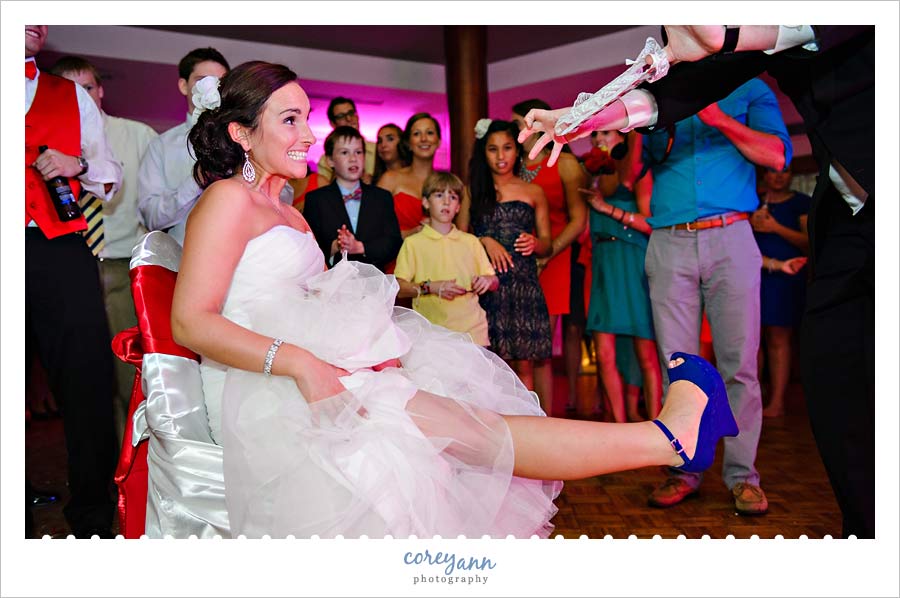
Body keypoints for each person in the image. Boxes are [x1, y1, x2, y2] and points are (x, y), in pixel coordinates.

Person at [172, 60, 736, 538]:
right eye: (289, 120)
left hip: (313, 367)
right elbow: (191, 321)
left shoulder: (289, 210)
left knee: (471, 424)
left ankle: (666, 439)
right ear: (242, 133)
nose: (308, 134)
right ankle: (666, 440)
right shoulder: (226, 200)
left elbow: (313, 301)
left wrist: (366, 346)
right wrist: (306, 365)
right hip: (259, 390)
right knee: (462, 435)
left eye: (307, 118)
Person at [518, 25, 874, 538]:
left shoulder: (755, 84)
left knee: (740, 365)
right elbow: (657, 103)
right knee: (679, 365)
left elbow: (777, 156)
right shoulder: (711, 69)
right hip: (669, 237)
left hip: (732, 234)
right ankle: (683, 465)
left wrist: (718, 115)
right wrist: (578, 118)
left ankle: (743, 475)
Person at [25, 25, 123, 538]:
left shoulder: (70, 96)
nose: (36, 21)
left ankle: (92, 515)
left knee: (86, 379)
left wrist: (76, 163)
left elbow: (109, 175)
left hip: (56, 243)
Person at [49, 55, 160, 442]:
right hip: (66, 266)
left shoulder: (138, 135)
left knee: (129, 373)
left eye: (90, 88)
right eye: (71, 90)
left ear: (102, 90)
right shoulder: (43, 137)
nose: (83, 97)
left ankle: (132, 464)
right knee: (78, 374)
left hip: (121, 264)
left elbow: (154, 204)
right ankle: (94, 469)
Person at [463, 119, 553, 410]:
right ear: (483, 153)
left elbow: (548, 243)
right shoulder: (472, 192)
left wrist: (535, 242)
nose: (501, 156)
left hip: (524, 283)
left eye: (507, 148)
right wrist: (484, 241)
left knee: (525, 365)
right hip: (488, 287)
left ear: (518, 151)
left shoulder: (534, 191)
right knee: (492, 363)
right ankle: (498, 433)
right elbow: (460, 241)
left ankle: (531, 430)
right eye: (493, 149)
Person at [511, 99, 588, 417]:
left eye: (519, 125)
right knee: (518, 344)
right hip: (519, 259)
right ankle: (521, 413)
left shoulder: (566, 164)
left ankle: (547, 417)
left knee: (542, 342)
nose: (516, 132)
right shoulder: (513, 166)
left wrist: (550, 252)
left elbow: (578, 219)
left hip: (555, 259)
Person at [583, 129, 662, 423]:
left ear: (623, 137)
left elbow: (652, 223)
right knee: (603, 353)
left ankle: (656, 423)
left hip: (632, 260)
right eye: (594, 136)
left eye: (605, 133)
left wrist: (607, 208)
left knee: (646, 352)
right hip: (602, 262)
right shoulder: (593, 174)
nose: (598, 139)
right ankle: (619, 423)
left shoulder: (639, 173)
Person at [137, 47, 230, 246]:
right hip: (181, 259)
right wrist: (196, 181)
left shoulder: (244, 139)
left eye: (219, 82)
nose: (211, 88)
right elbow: (151, 217)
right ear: (183, 85)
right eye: (202, 80)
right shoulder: (161, 146)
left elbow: (282, 196)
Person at [393, 171, 498, 346]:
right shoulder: (413, 243)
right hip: (431, 333)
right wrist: (430, 287)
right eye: (439, 195)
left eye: (453, 197)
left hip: (472, 332)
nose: (446, 201)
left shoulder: (470, 241)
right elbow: (399, 287)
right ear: (426, 202)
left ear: (458, 207)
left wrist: (487, 281)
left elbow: (493, 280)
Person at [302, 126, 402, 272]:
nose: (353, 158)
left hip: (374, 284)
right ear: (330, 160)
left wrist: (360, 247)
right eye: (344, 152)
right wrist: (335, 246)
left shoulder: (382, 197)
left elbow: (394, 243)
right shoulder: (316, 200)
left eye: (358, 152)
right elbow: (308, 248)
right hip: (333, 284)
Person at [752, 165, 810, 417]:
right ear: (764, 174)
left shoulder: (801, 203)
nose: (778, 176)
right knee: (752, 340)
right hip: (754, 273)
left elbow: (808, 242)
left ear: (791, 175)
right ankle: (753, 400)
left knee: (778, 338)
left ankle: (776, 401)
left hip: (787, 275)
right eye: (773, 171)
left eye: (785, 171)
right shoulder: (752, 201)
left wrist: (775, 227)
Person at [377, 113, 442, 238]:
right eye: (416, 134)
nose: (423, 139)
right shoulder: (390, 179)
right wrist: (413, 232)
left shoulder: (445, 184)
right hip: (397, 255)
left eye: (429, 133)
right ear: (408, 143)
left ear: (438, 141)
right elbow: (372, 227)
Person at [314, 96, 377, 185]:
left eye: (351, 113)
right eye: (341, 116)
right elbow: (327, 193)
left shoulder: (377, 149)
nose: (349, 119)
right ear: (332, 124)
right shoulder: (325, 160)